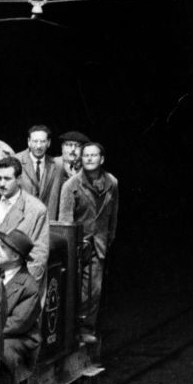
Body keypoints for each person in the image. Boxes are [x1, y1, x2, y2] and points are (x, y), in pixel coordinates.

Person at [73, 142, 120, 346]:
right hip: (77, 244)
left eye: (93, 155)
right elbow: (65, 219)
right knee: (74, 288)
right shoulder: (72, 185)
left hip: (98, 244)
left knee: (94, 289)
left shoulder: (112, 183)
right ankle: (72, 330)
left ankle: (86, 328)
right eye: (86, 155)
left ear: (101, 159)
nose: (89, 159)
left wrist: (108, 238)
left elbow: (113, 215)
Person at [0, 155, 49, 281]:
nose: (2, 184)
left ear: (19, 179)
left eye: (7, 179)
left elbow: (39, 255)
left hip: (18, 279)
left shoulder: (36, 210)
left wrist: (24, 285)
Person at [0, 229, 41, 379]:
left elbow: (17, 324)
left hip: (19, 340)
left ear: (14, 256)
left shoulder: (29, 287)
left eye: (2, 248)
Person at [18, 125, 62, 214]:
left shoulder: (57, 166)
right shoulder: (16, 161)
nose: (38, 146)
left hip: (46, 221)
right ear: (28, 142)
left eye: (42, 141)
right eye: (35, 141)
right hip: (22, 221)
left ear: (48, 143)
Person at [52, 130, 88, 222]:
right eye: (69, 145)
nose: (73, 149)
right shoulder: (52, 165)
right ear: (62, 147)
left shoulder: (88, 169)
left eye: (77, 146)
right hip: (54, 222)